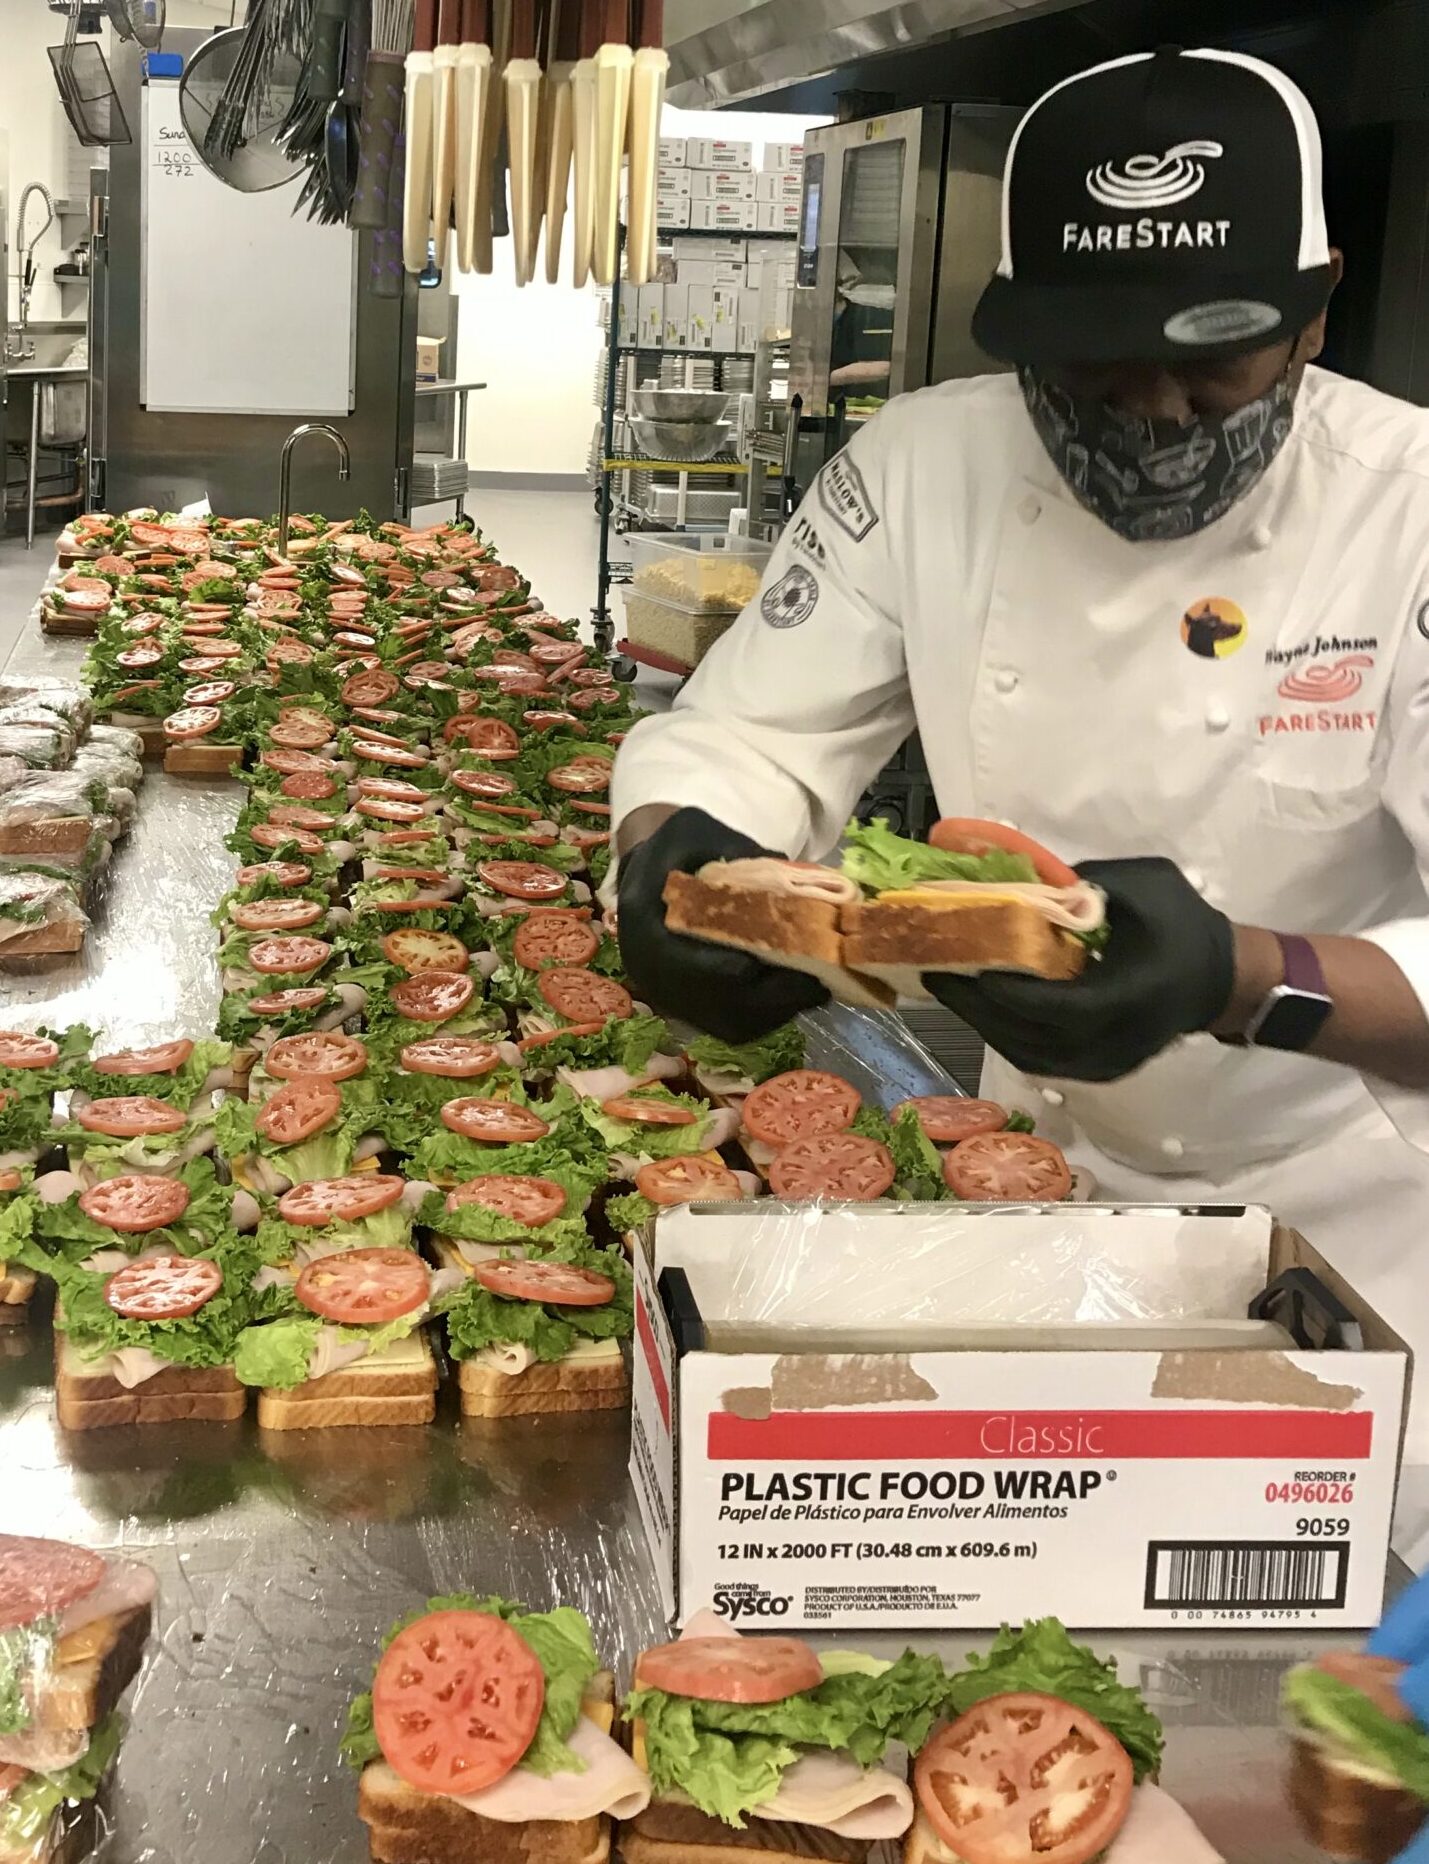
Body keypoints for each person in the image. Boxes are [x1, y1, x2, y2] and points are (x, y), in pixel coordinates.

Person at [609, 48, 1429, 1552]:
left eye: (1213, 362)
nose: (1155, 413)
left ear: (1315, 309)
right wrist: (678, 864)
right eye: (1095, 367)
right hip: (1031, 1180)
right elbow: (742, 736)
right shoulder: (923, 462)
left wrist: (1248, 976)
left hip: (1360, 1214)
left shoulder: (1411, 511)